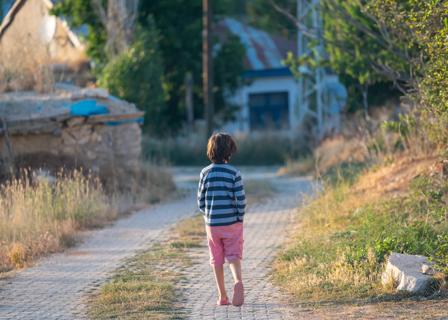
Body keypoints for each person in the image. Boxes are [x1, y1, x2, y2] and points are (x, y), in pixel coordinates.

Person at [197, 132, 246, 306]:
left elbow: (200, 201)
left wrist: (207, 215)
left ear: (211, 150)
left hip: (212, 224)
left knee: (216, 259)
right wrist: (239, 217)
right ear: (230, 150)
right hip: (232, 222)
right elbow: (240, 199)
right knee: (233, 255)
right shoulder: (234, 173)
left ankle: (222, 296)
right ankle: (237, 281)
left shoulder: (205, 173)